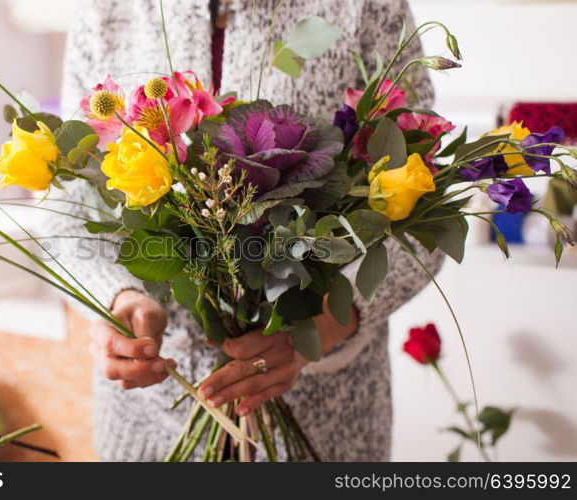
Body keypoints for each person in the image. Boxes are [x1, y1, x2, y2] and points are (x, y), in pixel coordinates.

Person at [51, 0, 443, 461]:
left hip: (324, 419)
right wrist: (117, 300)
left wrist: (328, 322)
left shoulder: (368, 6)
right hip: (150, 421)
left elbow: (424, 203)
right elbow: (69, 209)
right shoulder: (105, 10)